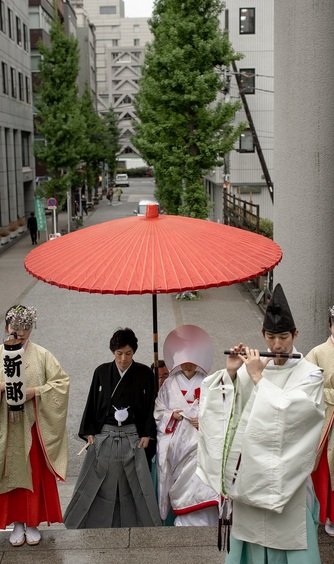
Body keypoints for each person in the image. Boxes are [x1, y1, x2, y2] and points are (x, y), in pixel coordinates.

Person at [197, 284, 324, 563]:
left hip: (287, 486)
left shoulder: (310, 374)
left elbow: (295, 415)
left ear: (295, 335)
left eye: (283, 337)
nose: (277, 345)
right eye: (270, 337)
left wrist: (258, 379)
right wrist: (231, 374)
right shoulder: (250, 368)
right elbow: (228, 415)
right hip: (250, 482)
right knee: (250, 542)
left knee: (291, 540)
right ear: (262, 335)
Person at [63, 327, 161, 528]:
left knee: (135, 483)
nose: (124, 359)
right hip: (106, 434)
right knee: (99, 482)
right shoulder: (101, 371)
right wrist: (89, 431)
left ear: (134, 352)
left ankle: (141, 523)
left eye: (128, 353)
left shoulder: (144, 373)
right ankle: (88, 522)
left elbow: (152, 403)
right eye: (119, 354)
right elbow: (92, 402)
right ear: (112, 352)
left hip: (133, 435)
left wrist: (146, 433)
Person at [0, 305, 69, 546]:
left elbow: (61, 382)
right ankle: (16, 523)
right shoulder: (0, 354)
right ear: (7, 326)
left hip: (32, 425)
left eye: (26, 327)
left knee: (33, 475)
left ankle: (31, 522)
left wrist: (35, 392)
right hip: (6, 428)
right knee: (10, 475)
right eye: (16, 326)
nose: (20, 332)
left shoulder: (41, 355)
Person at [154, 325, 219, 526]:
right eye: (184, 362)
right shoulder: (169, 384)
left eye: (192, 362)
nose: (188, 366)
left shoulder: (208, 382)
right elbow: (158, 411)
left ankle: (206, 517)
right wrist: (172, 414)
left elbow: (219, 412)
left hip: (200, 442)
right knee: (179, 481)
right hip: (177, 445)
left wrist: (205, 421)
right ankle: (181, 515)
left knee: (202, 480)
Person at [306, 305, 334, 536]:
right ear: (329, 325)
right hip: (327, 416)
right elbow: (306, 385)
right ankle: (326, 515)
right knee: (325, 466)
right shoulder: (317, 352)